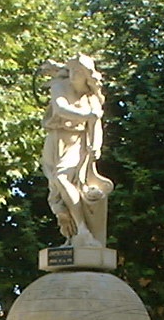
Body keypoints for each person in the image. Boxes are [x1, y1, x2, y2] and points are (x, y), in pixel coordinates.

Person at [40, 55, 114, 247]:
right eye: (72, 70)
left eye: (79, 72)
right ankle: (71, 235)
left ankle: (83, 230)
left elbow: (96, 124)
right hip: (55, 140)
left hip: (76, 143)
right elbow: (60, 109)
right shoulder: (59, 86)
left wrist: (96, 145)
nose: (74, 75)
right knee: (56, 188)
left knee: (62, 179)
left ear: (87, 76)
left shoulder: (92, 98)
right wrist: (88, 115)